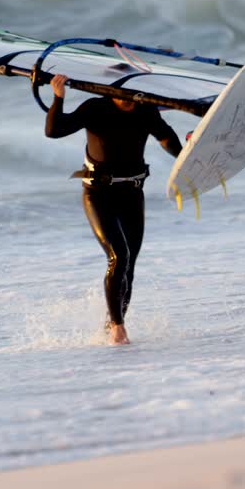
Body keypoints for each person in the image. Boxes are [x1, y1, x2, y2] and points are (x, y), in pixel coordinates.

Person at [45, 74, 182, 345]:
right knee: (118, 256)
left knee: (129, 265)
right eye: (120, 95)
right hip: (98, 193)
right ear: (111, 93)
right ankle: (119, 328)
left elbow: (167, 140)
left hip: (132, 193)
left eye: (131, 96)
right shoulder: (95, 108)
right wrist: (58, 97)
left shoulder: (146, 110)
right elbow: (54, 131)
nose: (126, 100)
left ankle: (112, 325)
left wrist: (188, 155)